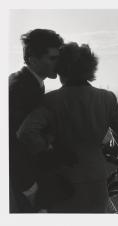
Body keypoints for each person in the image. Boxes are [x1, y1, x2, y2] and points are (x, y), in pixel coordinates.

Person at [17, 42, 118, 213]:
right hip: (97, 179)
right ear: (90, 68)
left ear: (61, 69)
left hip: (62, 181)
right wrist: (104, 150)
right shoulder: (106, 98)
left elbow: (27, 132)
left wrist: (48, 154)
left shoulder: (51, 100)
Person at [9, 29, 64, 213]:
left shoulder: (22, 82)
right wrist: (29, 187)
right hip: (22, 182)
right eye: (52, 58)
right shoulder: (22, 89)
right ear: (32, 59)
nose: (58, 64)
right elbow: (14, 141)